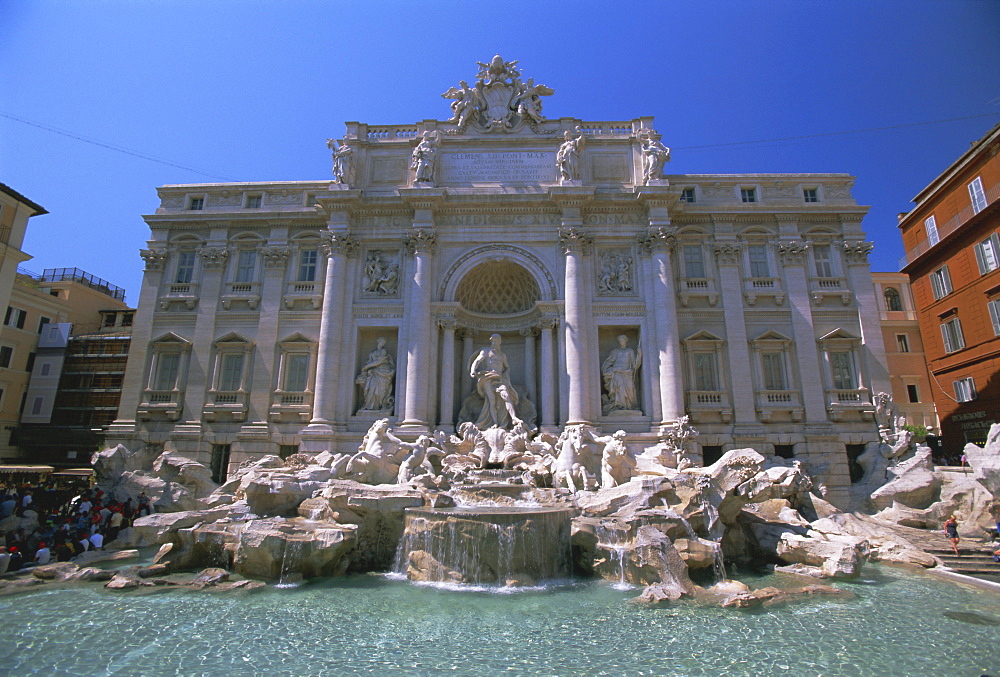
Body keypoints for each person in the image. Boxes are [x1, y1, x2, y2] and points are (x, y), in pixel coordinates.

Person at [469, 334, 519, 430]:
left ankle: (514, 418)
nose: (494, 342)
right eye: (493, 340)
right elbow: (477, 361)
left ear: (499, 342)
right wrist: (472, 370)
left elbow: (507, 367)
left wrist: (506, 375)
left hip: (499, 378)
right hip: (488, 377)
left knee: (506, 395)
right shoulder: (486, 351)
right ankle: (495, 423)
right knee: (492, 400)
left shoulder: (502, 355)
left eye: (496, 340)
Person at [601, 335, 642, 414]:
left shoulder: (630, 351)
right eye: (620, 341)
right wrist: (605, 370)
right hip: (617, 372)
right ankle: (619, 406)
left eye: (623, 340)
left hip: (627, 373)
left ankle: (629, 406)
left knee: (630, 389)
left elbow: (634, 365)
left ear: (626, 341)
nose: (621, 342)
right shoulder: (615, 351)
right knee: (619, 388)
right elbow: (609, 361)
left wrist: (639, 355)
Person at [356, 337, 396, 412]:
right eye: (382, 342)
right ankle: (368, 405)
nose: (383, 344)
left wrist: (366, 367)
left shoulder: (384, 351)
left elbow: (379, 361)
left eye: (384, 343)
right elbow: (369, 362)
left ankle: (379, 406)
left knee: (381, 391)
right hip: (374, 373)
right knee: (371, 389)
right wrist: (367, 368)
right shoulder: (372, 353)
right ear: (378, 342)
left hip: (384, 372)